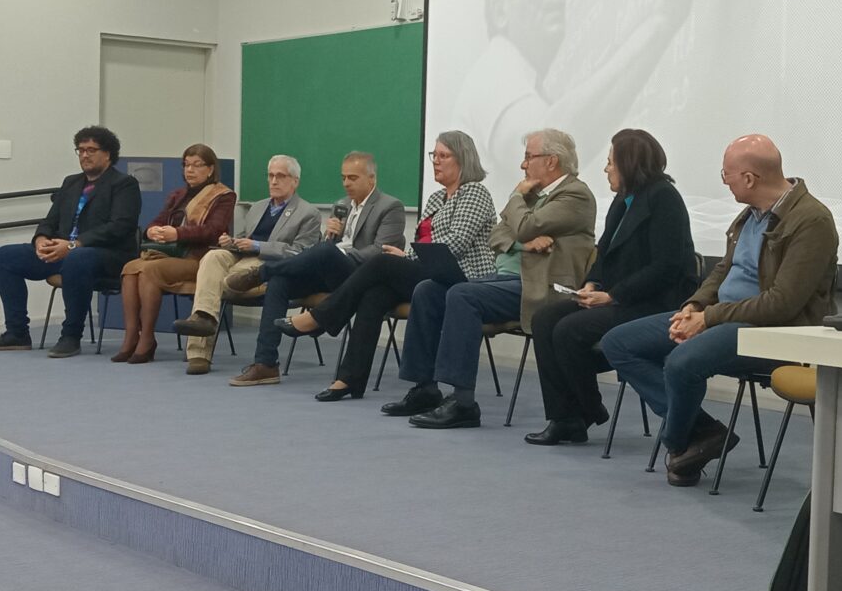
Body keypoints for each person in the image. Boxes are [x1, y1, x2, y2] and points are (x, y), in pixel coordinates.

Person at [600, 134, 839, 486]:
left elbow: (782, 303)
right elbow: (724, 270)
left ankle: (678, 443)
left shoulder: (811, 220)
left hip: (775, 331)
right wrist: (694, 306)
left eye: (726, 174)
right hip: (724, 318)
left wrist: (707, 319)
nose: (724, 181)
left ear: (749, 178)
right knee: (619, 342)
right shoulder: (752, 215)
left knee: (682, 362)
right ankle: (702, 432)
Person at [453, 0, 724, 198]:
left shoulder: (520, 77)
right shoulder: (495, 71)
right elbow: (550, 148)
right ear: (500, 11)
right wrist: (661, 20)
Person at [381, 128, 595, 429]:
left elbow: (522, 225)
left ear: (551, 161)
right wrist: (522, 241)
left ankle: (463, 402)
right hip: (506, 278)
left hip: (542, 287)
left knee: (462, 294)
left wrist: (517, 199)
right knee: (429, 289)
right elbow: (499, 233)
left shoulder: (574, 194)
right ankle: (424, 387)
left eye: (528, 157)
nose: (523, 166)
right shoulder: (536, 196)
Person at [275, 130, 496, 401]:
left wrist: (407, 258)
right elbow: (424, 243)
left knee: (382, 261)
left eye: (443, 156)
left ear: (462, 159)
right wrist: (410, 257)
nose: (436, 161)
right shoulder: (437, 198)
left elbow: (454, 244)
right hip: (429, 274)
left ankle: (321, 318)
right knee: (373, 295)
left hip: (462, 276)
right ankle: (349, 379)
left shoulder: (475, 193)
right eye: (434, 155)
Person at [523, 128, 697, 446]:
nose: (606, 170)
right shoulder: (623, 200)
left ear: (629, 164)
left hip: (654, 303)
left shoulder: (664, 199)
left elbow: (666, 267)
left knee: (569, 331)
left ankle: (586, 411)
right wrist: (593, 283)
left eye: (610, 163)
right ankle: (564, 417)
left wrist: (613, 295)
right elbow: (604, 254)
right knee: (545, 319)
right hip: (618, 298)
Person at [181, 151, 405, 385]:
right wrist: (332, 237)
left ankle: (262, 273)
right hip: (331, 271)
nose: (346, 183)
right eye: (343, 178)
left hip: (359, 275)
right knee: (281, 282)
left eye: (353, 178)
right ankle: (266, 363)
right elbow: (327, 248)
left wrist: (336, 251)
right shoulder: (341, 205)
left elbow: (380, 251)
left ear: (372, 179)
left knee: (323, 252)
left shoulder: (390, 207)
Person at [0, 126, 141, 358]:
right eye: (81, 150)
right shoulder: (71, 183)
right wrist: (41, 239)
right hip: (64, 251)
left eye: (91, 150)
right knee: (5, 256)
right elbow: (50, 220)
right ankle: (17, 332)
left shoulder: (124, 184)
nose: (84, 155)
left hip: (106, 256)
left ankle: (71, 335)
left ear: (108, 154)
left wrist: (75, 245)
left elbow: (120, 227)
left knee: (77, 258)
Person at [174, 155, 321, 375]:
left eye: (280, 176)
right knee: (212, 258)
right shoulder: (258, 207)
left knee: (213, 284)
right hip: (242, 256)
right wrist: (231, 242)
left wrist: (258, 246)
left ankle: (200, 348)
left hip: (268, 265)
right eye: (270, 176)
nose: (273, 181)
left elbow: (300, 252)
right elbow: (245, 238)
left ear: (295, 181)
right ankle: (202, 324)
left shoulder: (308, 213)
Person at [112, 144, 235, 364]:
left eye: (197, 165)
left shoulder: (223, 196)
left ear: (210, 169)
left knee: (148, 270)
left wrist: (176, 234)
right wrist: (153, 230)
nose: (190, 170)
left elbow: (213, 231)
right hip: (169, 256)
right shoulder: (178, 194)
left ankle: (147, 338)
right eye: (186, 164)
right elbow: (157, 220)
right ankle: (132, 335)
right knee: (130, 269)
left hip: (200, 259)